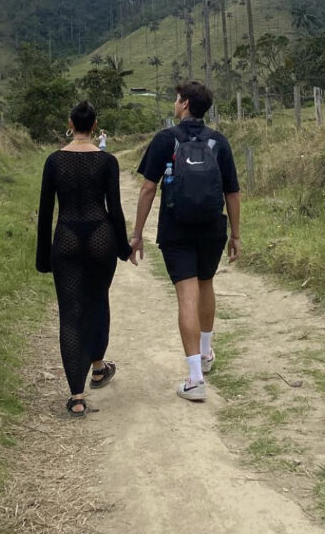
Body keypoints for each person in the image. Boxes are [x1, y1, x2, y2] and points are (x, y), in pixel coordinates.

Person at [130, 80, 240, 402]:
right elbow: (232, 192)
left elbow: (148, 188)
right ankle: (205, 355)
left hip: (176, 230)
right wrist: (235, 235)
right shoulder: (219, 142)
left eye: (178, 100)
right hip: (211, 229)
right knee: (206, 284)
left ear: (186, 105)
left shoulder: (166, 139)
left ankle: (195, 379)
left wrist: (137, 235)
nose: (175, 104)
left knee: (186, 296)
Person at [36, 101, 134, 415]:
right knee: (97, 300)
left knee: (70, 312)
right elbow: (115, 209)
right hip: (100, 235)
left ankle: (77, 398)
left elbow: (46, 212)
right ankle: (98, 368)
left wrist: (42, 257)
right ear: (94, 125)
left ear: (70, 122)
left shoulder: (54, 161)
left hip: (65, 235)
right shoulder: (107, 161)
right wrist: (123, 248)